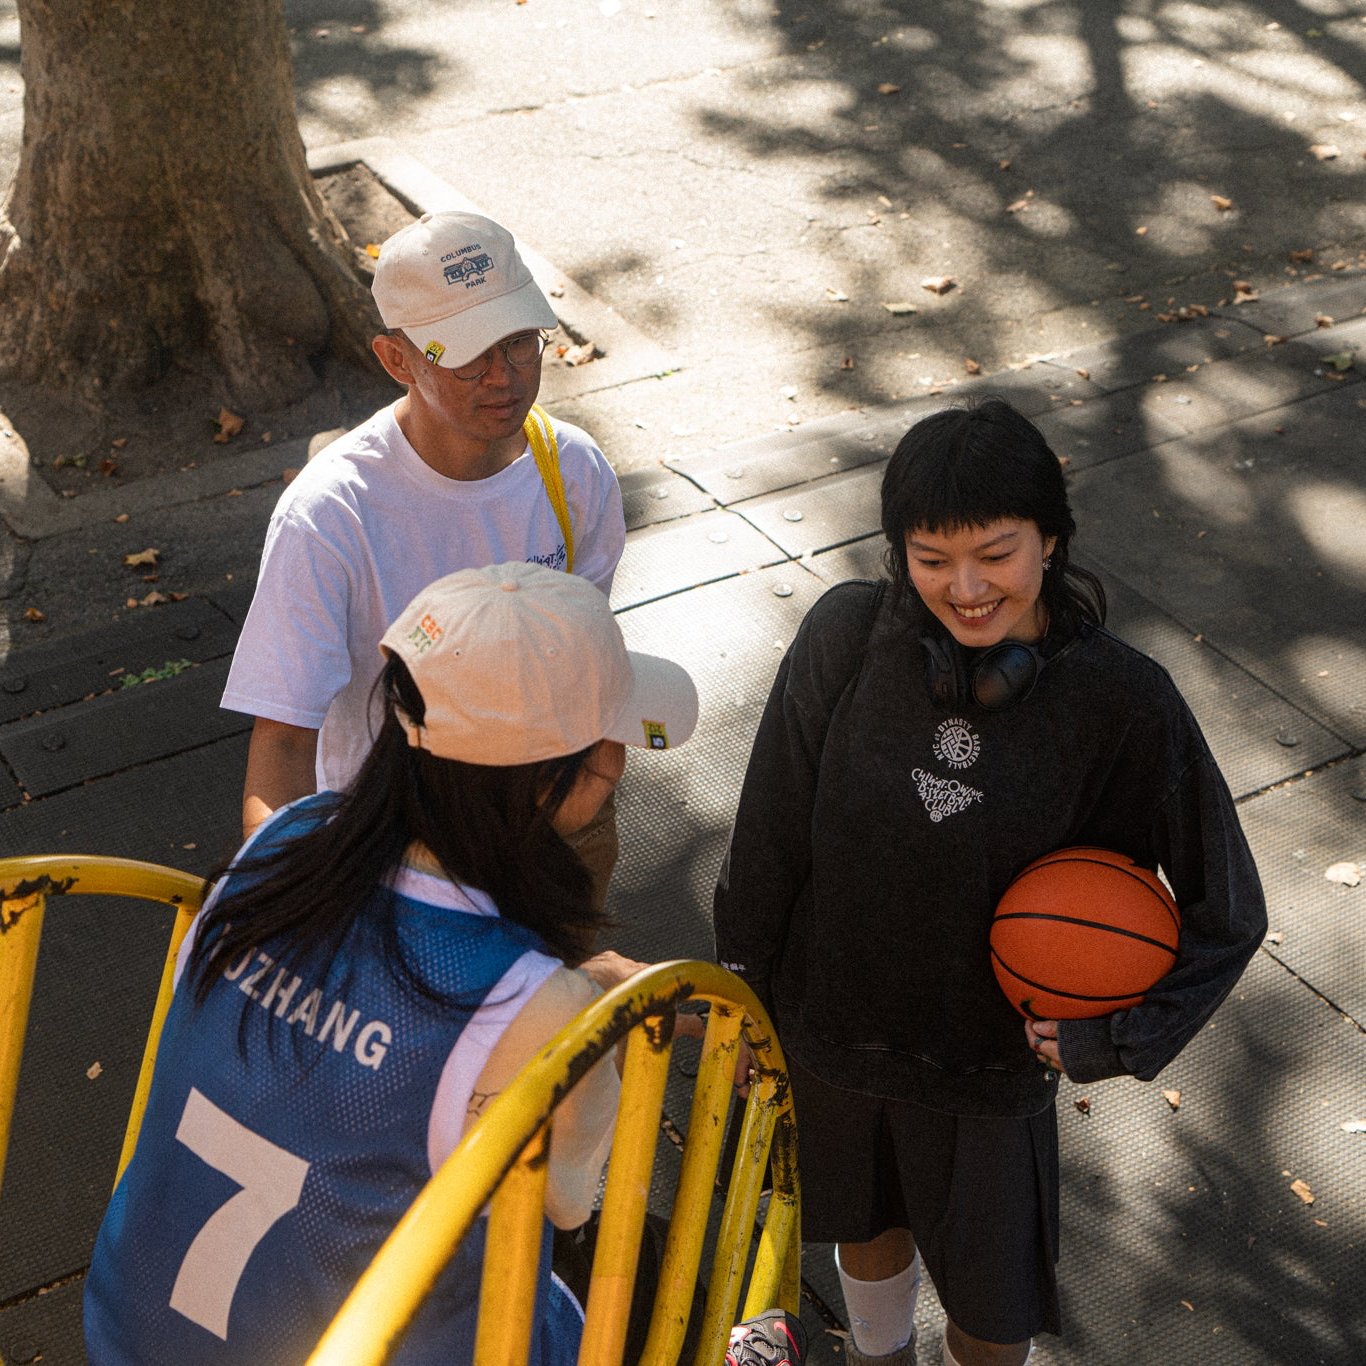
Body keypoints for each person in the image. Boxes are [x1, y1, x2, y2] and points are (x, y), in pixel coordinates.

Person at [712, 399, 1266, 1366]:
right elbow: (766, 837)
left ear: (1051, 540)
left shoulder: (1120, 701)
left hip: (986, 1071)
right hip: (834, 1029)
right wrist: (742, 1003)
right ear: (899, 555)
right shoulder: (848, 637)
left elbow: (1229, 909)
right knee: (865, 1225)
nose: (965, 590)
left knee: (992, 1307)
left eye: (996, 554)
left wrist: (1115, 1036)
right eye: (931, 560)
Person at [85, 562, 699, 1365]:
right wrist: (593, 1017)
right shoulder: (530, 1005)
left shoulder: (281, 845)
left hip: (132, 1331)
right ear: (563, 776)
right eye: (609, 737)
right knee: (650, 1274)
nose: (618, 757)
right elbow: (563, 1206)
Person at [221, 210, 627, 902]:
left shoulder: (575, 471)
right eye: (466, 355)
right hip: (393, 860)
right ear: (395, 359)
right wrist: (285, 896)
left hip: (544, 831)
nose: (503, 376)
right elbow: (283, 744)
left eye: (521, 341)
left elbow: (582, 666)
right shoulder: (331, 515)